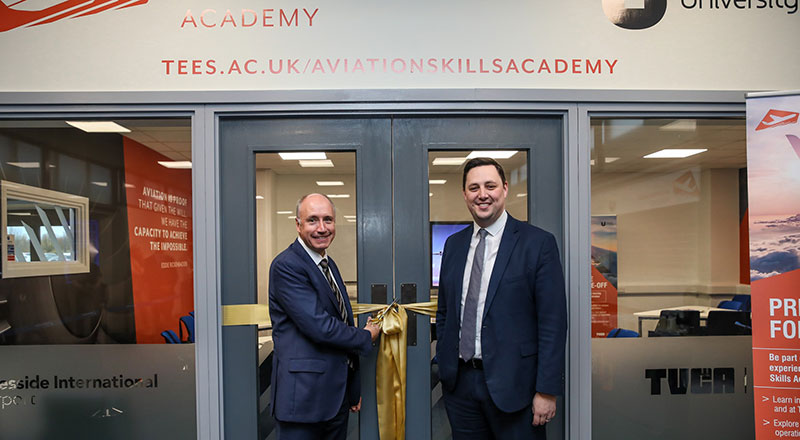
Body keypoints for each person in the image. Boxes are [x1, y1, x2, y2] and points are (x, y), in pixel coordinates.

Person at [435, 158, 568, 439]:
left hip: (516, 386)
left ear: (505, 189)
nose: (482, 194)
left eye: (490, 185)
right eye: (474, 187)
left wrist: (546, 389)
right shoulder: (454, 245)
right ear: (465, 194)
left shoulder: (537, 243)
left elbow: (552, 322)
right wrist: (447, 370)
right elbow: (447, 311)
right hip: (461, 385)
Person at [269, 193, 381, 440]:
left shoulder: (328, 265)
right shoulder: (287, 266)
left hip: (334, 397)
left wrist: (352, 388)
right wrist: (366, 335)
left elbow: (340, 320)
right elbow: (320, 327)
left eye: (328, 220)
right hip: (303, 401)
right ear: (298, 225)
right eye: (313, 220)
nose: (322, 228)